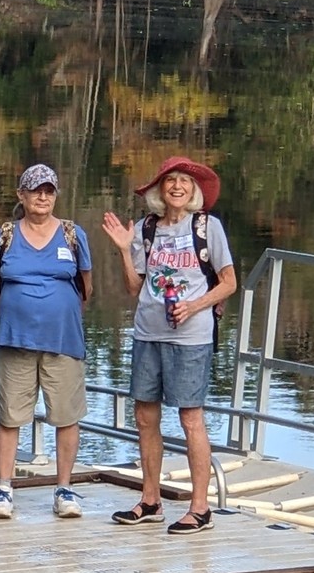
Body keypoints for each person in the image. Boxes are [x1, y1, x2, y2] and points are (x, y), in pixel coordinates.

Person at [100, 157, 237, 534]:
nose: (177, 186)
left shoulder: (208, 227)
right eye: (170, 181)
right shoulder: (147, 229)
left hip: (191, 337)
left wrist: (194, 305)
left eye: (184, 182)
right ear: (160, 190)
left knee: (190, 417)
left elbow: (228, 282)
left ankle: (200, 507)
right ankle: (150, 499)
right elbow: (135, 288)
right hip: (148, 332)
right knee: (145, 416)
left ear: (194, 191)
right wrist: (124, 250)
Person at [0, 163, 92, 523]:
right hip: (15, 340)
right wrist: (17, 313)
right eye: (35, 190)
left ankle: (63, 488)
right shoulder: (5, 234)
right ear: (22, 195)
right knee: (10, 415)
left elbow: (85, 287)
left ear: (56, 194)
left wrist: (57, 313)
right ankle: (3, 487)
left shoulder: (72, 233)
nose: (42, 196)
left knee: (66, 415)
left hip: (63, 339)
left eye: (48, 190)